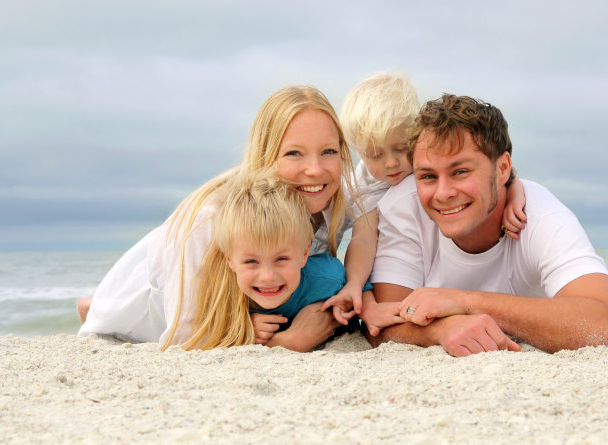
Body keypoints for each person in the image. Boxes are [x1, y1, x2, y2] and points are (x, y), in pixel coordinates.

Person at [77, 86, 401, 350]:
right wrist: (279, 341)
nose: (315, 169)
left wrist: (359, 288)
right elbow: (181, 336)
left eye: (328, 152)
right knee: (122, 317)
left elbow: (372, 199)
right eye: (293, 153)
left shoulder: (331, 194)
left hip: (230, 298)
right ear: (265, 154)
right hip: (154, 303)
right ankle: (98, 309)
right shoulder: (211, 220)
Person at [366, 94, 608, 356]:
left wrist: (463, 302)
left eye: (460, 172)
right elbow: (381, 322)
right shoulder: (402, 208)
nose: (443, 193)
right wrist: (439, 330)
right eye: (427, 176)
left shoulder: (542, 217)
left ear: (503, 168)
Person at [321, 72, 527, 327]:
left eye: (400, 148)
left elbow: (499, 171)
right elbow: (362, 242)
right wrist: (361, 294)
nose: (391, 163)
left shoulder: (426, 169)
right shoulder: (366, 187)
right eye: (374, 155)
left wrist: (515, 195)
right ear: (359, 152)